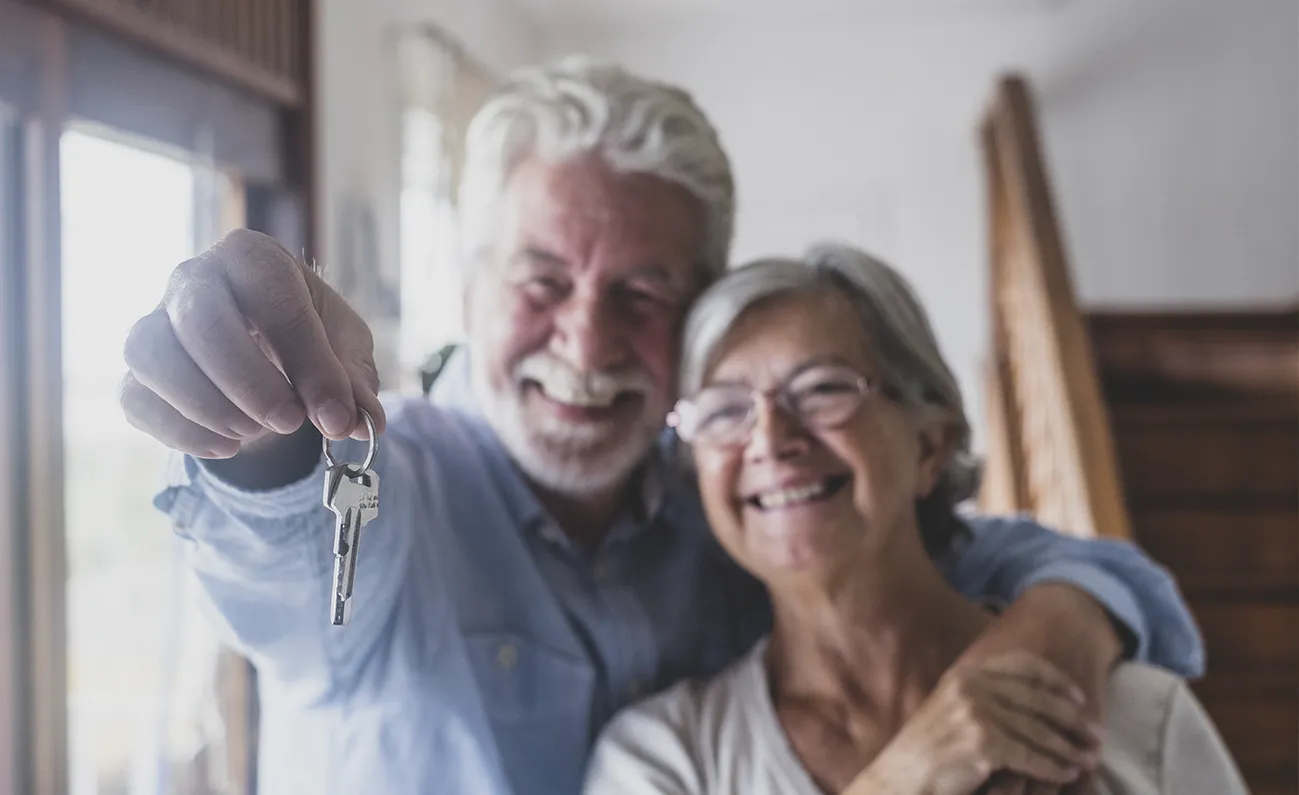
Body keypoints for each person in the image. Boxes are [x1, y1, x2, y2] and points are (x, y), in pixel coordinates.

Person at [121, 58, 1204, 795]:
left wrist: (1055, 640)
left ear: (702, 317)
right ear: (471, 281)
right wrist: (260, 439)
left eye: (643, 292)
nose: (586, 342)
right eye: (543, 279)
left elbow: (968, 545)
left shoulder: (736, 487)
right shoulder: (391, 484)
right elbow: (292, 563)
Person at [583, 244, 1245, 795]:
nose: (770, 438)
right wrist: (904, 778)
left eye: (822, 388)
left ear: (928, 444)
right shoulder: (664, 759)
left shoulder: (1135, 715)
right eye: (725, 409)